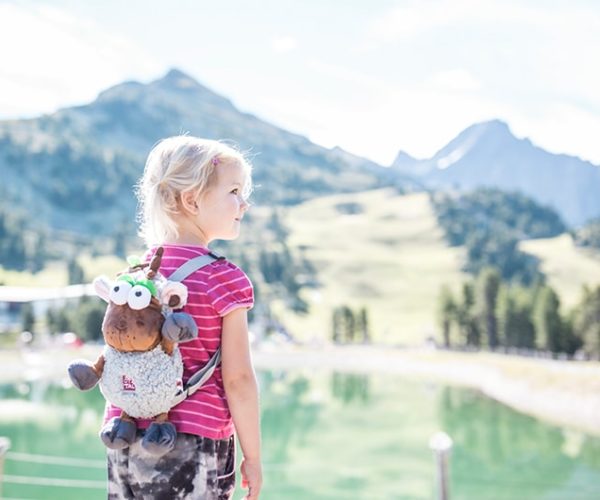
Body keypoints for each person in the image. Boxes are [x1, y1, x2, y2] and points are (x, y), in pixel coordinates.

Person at [105, 136, 262, 500]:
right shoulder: (225, 280)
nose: (245, 203)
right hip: (195, 441)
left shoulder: (134, 276)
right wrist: (252, 457)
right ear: (192, 200)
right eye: (235, 191)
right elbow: (238, 379)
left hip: (123, 432)